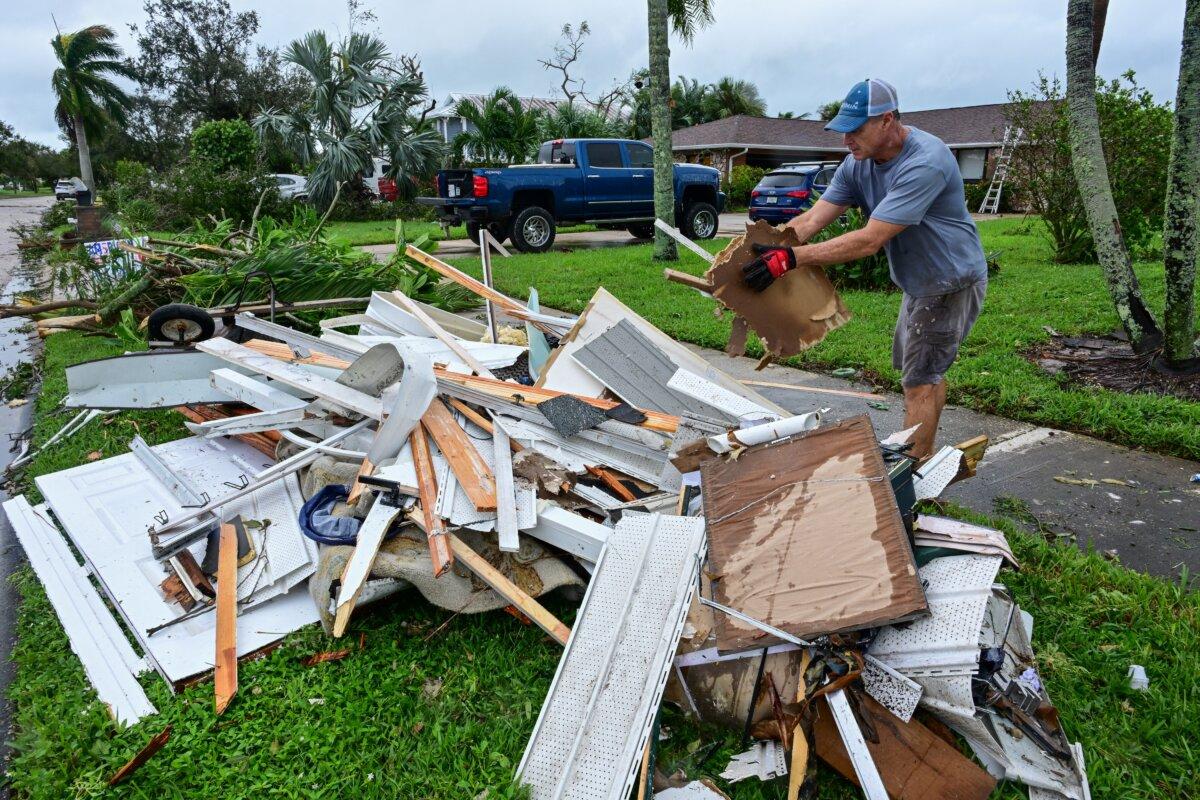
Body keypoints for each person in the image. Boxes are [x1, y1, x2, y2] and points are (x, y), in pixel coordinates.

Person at [741, 78, 988, 461]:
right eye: (843, 130)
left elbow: (869, 239)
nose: (847, 140)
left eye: (855, 130)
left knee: (918, 381)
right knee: (924, 372)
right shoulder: (859, 165)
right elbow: (810, 222)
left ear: (887, 120)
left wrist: (792, 260)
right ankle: (923, 452)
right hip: (921, 282)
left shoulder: (925, 161)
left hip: (949, 281)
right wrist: (770, 250)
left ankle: (915, 472)